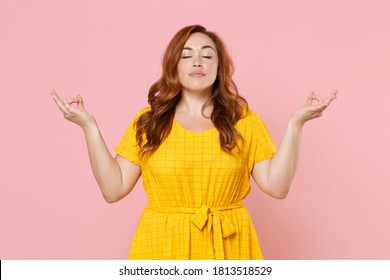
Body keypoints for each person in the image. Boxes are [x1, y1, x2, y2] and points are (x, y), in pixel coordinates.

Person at [51, 24, 337, 260]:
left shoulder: (244, 121)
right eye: (186, 55)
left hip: (230, 246)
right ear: (174, 66)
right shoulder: (149, 121)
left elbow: (277, 187)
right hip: (160, 247)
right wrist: (88, 126)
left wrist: (296, 123)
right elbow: (113, 189)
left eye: (207, 55)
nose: (197, 61)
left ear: (220, 67)